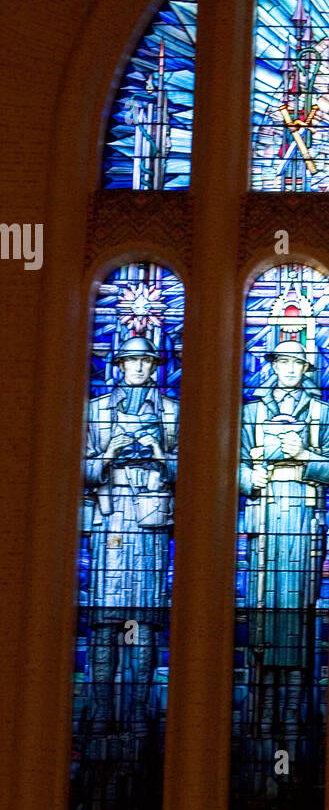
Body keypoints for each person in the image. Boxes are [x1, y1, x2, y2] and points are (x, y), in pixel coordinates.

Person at [82, 334, 178, 785]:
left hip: (151, 524)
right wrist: (108, 452)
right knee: (105, 622)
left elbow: (190, 470)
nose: (138, 368)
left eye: (145, 361)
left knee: (142, 623)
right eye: (131, 361)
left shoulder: (172, 411)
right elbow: (78, 469)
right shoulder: (98, 410)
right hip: (110, 521)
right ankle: (100, 714)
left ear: (153, 366)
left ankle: (139, 712)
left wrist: (161, 455)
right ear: (119, 365)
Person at [239, 339, 329, 773]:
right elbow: (233, 464)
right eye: (283, 362)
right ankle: (261, 714)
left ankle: (293, 717)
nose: (290, 370)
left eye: (298, 364)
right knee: (263, 616)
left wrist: (305, 457)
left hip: (302, 520)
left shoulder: (321, 413)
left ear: (305, 368)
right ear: (274, 366)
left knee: (297, 616)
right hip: (264, 521)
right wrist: (252, 472)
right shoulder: (253, 410)